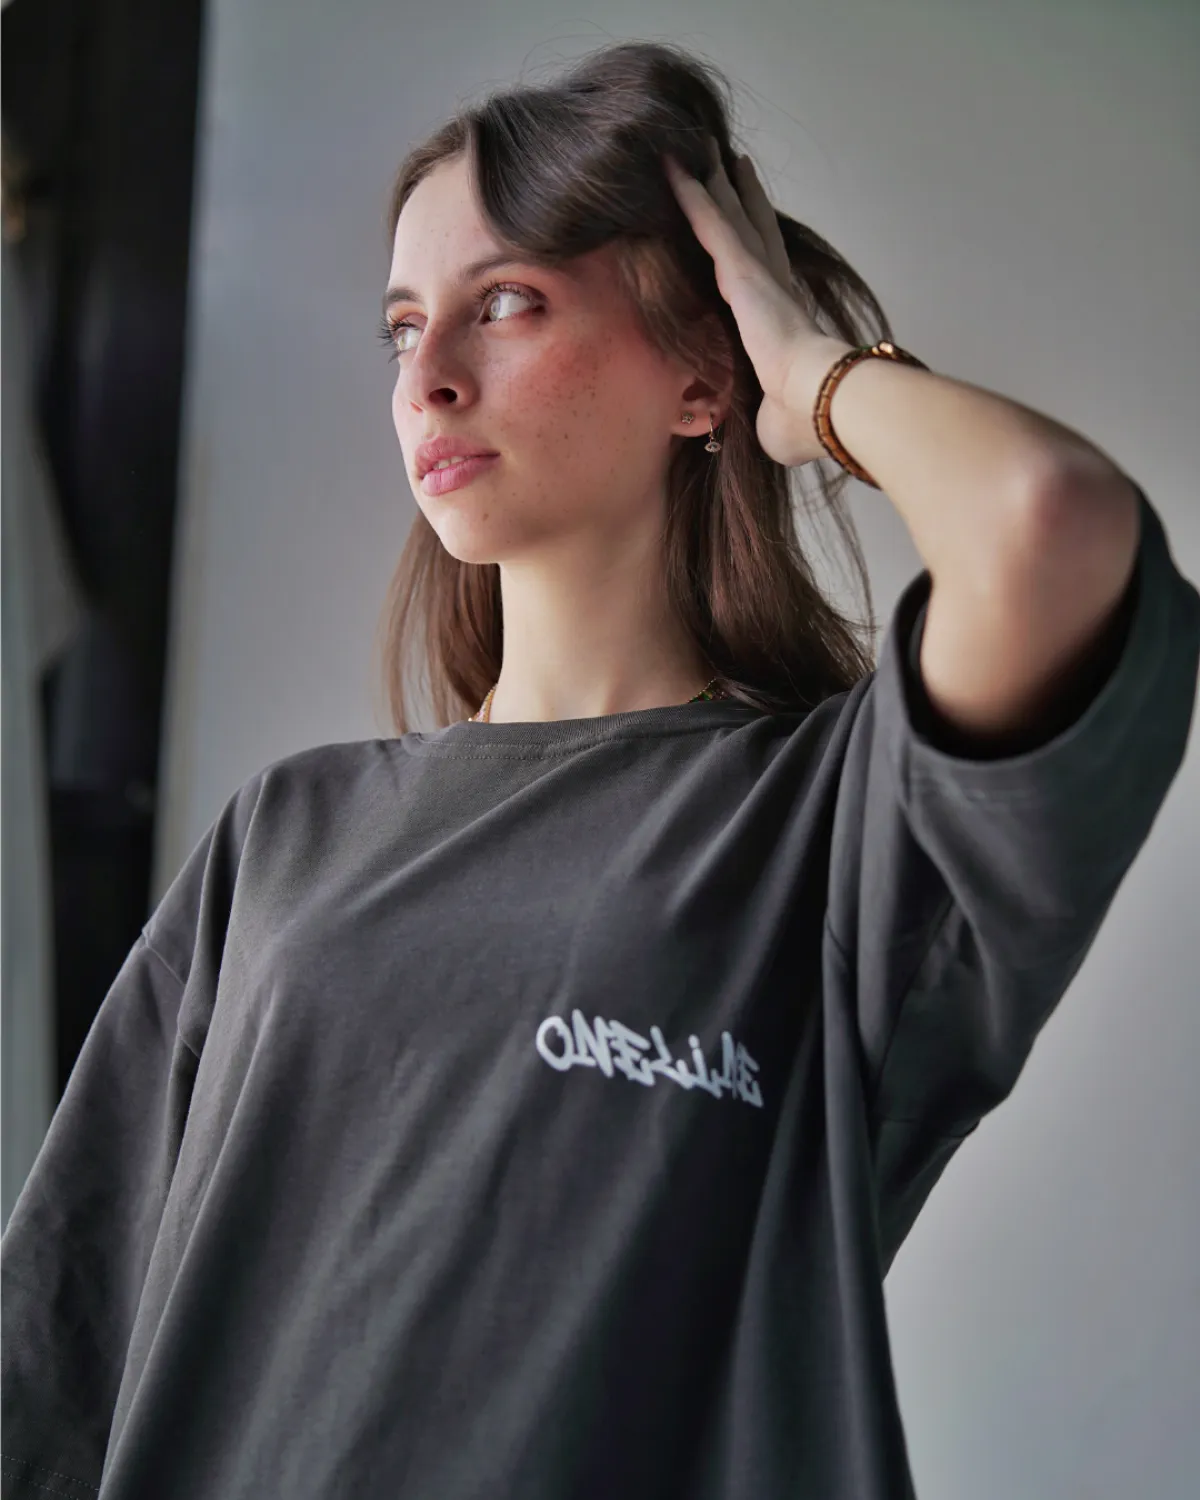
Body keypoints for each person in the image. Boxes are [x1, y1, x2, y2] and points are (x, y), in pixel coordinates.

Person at [2, 40, 1198, 1500]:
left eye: (506, 302)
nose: (427, 380)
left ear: (701, 372)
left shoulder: (831, 831)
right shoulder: (284, 838)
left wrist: (807, 374)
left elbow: (1050, 523)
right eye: (401, 327)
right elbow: (51, 1361)